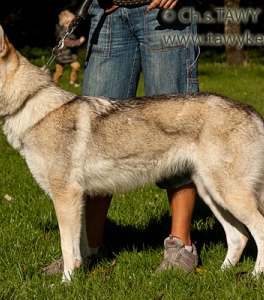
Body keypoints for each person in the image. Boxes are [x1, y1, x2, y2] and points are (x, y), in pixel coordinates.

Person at [43, 0, 200, 275]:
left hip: (164, 13)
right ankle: (87, 249)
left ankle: (181, 245)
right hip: (107, 14)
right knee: (93, 137)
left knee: (177, 127)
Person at [52, 10, 86, 87]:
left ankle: (73, 80)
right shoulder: (62, 33)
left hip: (70, 56)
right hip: (61, 56)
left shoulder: (70, 32)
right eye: (69, 23)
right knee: (59, 72)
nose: (73, 26)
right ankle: (54, 84)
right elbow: (69, 43)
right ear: (64, 24)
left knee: (76, 66)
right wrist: (79, 41)